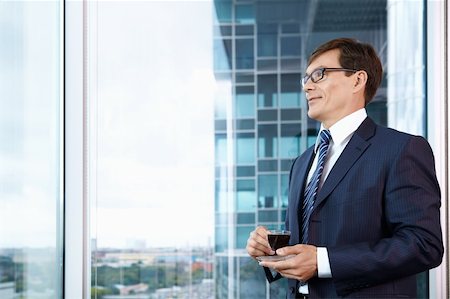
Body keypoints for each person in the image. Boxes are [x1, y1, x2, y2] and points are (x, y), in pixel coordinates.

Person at [246, 37, 443, 298]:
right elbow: (303, 248)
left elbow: (423, 245)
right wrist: (270, 251)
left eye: (319, 74)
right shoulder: (302, 162)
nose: (307, 86)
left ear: (358, 80)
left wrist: (323, 261)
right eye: (305, 79)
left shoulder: (401, 149)